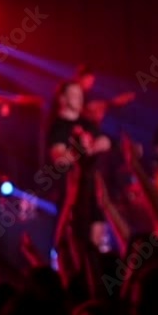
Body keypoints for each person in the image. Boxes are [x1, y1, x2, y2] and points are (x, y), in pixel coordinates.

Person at [48, 80, 110, 251]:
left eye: (81, 95)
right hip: (71, 194)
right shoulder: (58, 127)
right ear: (63, 99)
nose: (79, 99)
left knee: (96, 241)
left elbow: (105, 141)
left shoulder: (87, 123)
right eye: (74, 95)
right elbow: (58, 158)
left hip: (92, 191)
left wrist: (97, 145)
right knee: (72, 244)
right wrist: (80, 151)